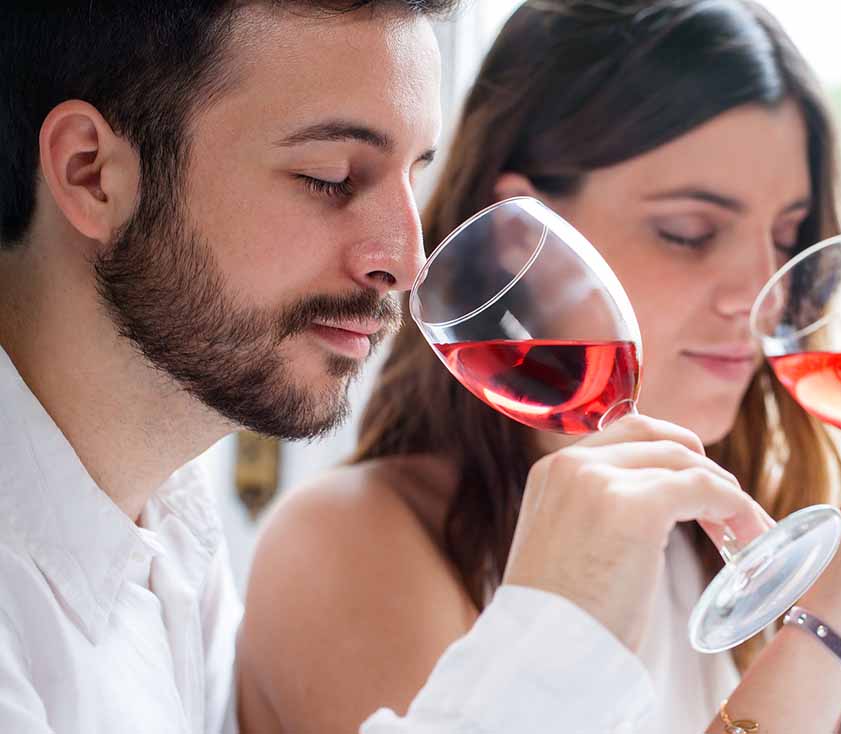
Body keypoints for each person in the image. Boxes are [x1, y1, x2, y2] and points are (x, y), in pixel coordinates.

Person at [237, 2, 841, 733]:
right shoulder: (349, 545)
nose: (757, 295)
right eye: (691, 232)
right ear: (526, 241)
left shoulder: (756, 532)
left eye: (787, 235)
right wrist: (830, 639)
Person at [0, 2, 779, 733]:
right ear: (91, 173)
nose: (407, 264)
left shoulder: (168, 532)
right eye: (331, 178)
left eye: (414, 177)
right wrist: (554, 631)